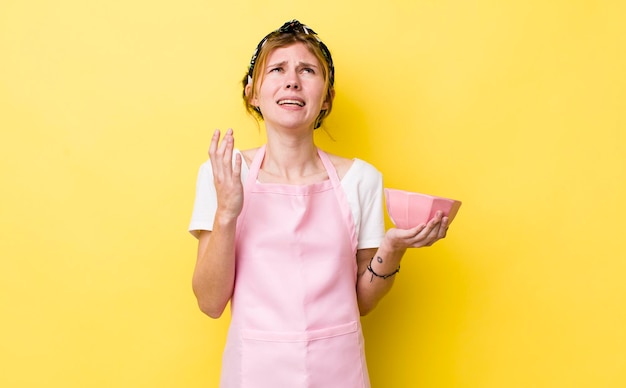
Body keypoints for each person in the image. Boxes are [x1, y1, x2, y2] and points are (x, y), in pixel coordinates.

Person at [189, 19, 449, 388]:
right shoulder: (221, 173)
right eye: (277, 69)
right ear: (252, 92)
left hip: (338, 371)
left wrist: (392, 247)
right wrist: (227, 212)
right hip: (255, 372)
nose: (292, 80)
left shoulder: (362, 179)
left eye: (307, 70)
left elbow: (358, 302)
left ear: (326, 97)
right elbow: (210, 303)